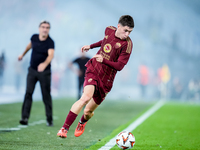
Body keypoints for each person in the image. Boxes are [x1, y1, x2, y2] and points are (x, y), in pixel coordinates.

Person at [57, 15, 134, 138]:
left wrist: (104, 60)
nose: (127, 34)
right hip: (94, 69)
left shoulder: (127, 45)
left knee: (88, 111)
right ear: (118, 26)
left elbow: (119, 66)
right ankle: (64, 129)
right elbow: (104, 41)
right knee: (85, 97)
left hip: (107, 79)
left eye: (130, 32)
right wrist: (91, 46)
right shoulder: (109, 29)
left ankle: (82, 122)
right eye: (125, 30)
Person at [18, 20, 55, 126]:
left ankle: (49, 119)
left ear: (49, 30)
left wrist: (44, 64)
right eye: (43, 27)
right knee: (28, 93)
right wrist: (22, 55)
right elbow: (29, 46)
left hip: (45, 72)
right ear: (39, 28)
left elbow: (51, 55)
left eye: (47, 27)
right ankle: (24, 118)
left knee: (46, 95)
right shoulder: (34, 37)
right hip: (32, 70)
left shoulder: (50, 42)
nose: (45, 29)